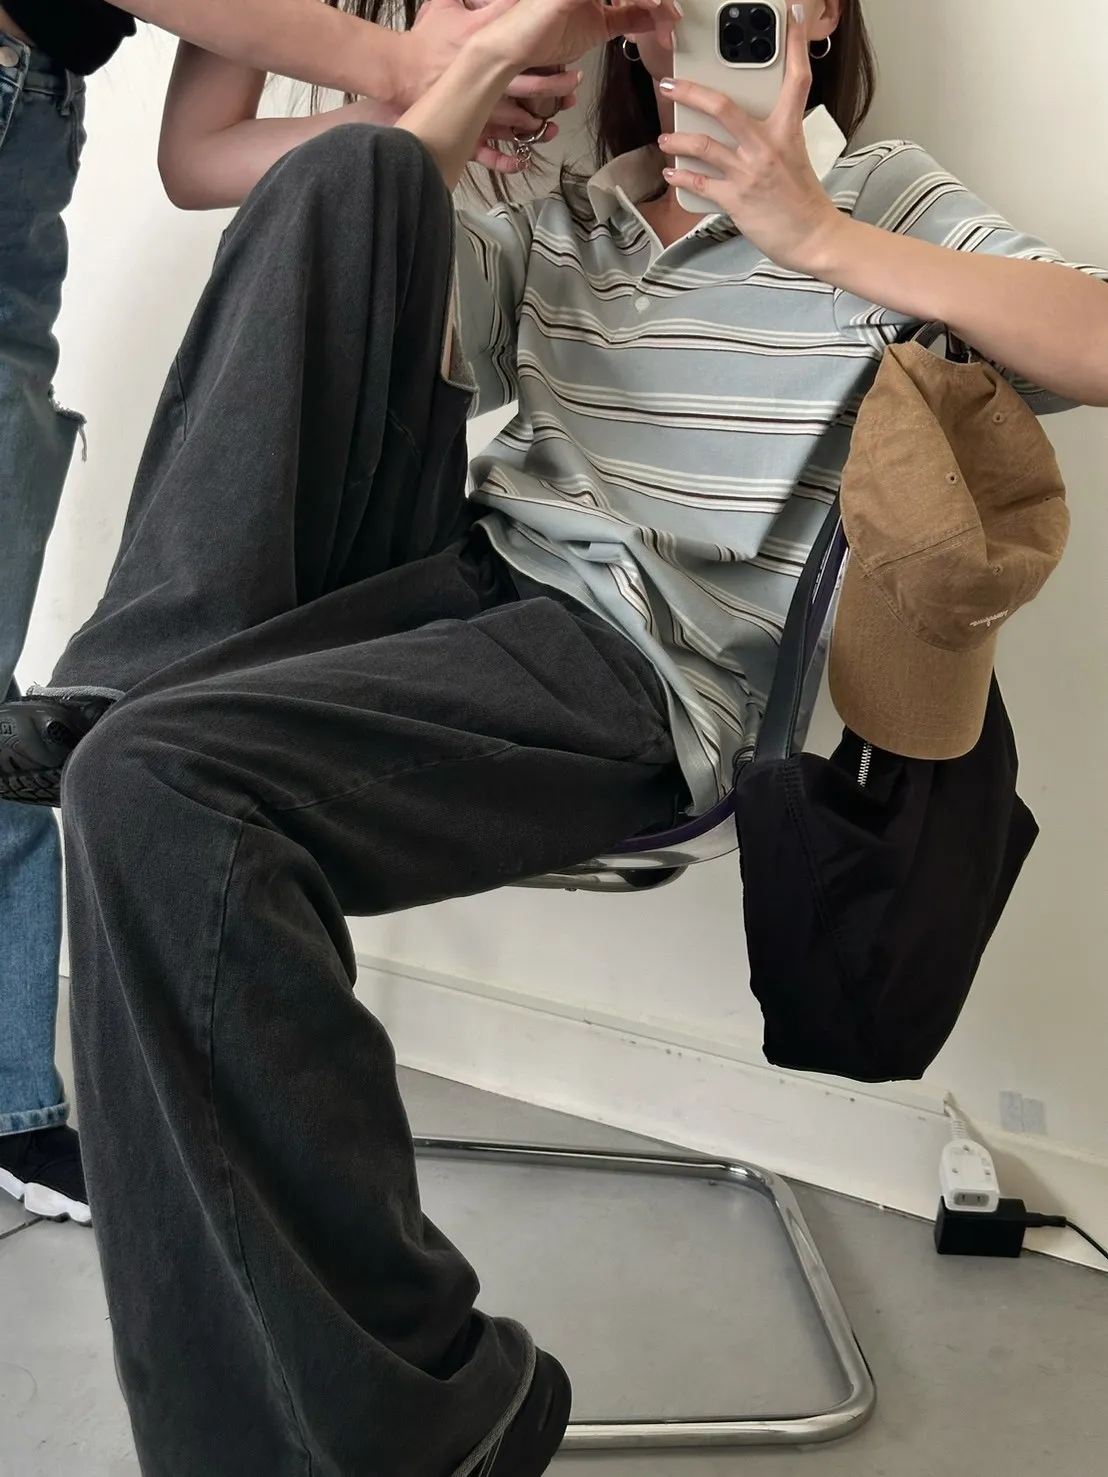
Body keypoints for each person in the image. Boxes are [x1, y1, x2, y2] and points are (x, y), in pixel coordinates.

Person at [1, 0, 1107, 1469]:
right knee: (356, 174)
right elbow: (367, 299)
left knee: (149, 789)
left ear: (819, 12)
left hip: (638, 664)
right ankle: (139, 671)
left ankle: (410, 1416)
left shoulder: (885, 196)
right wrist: (476, 64)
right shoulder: (580, 211)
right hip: (456, 581)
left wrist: (818, 236)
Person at [0, 0, 580, 1225]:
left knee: (128, 746)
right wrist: (418, 87)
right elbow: (209, 158)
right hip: (345, 380)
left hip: (505, 452)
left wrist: (442, 93)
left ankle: (37, 1100)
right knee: (128, 756)